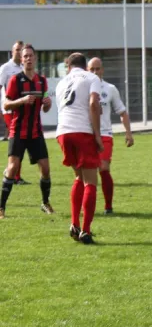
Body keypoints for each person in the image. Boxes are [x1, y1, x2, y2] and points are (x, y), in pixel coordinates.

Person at [0, 44, 54, 219]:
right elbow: (6, 105)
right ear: (21, 60)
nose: (29, 59)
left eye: (31, 56)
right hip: (18, 131)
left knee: (45, 169)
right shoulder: (16, 80)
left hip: (36, 132)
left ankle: (45, 203)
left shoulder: (42, 81)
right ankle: (1, 207)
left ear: (35, 58)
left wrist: (48, 104)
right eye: (25, 56)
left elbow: (45, 109)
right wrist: (22, 100)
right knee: (13, 167)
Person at [56, 53, 103, 244]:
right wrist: (98, 135)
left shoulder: (61, 83)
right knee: (91, 182)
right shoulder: (92, 78)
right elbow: (93, 103)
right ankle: (86, 230)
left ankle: (74, 224)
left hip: (63, 133)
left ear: (69, 67)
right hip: (82, 131)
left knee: (78, 177)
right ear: (85, 67)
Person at [87, 57, 134, 215]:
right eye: (92, 69)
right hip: (86, 134)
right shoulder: (82, 88)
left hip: (105, 134)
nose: (95, 72)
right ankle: (87, 207)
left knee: (104, 168)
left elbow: (122, 112)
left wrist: (128, 133)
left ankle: (108, 206)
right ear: (87, 70)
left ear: (103, 70)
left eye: (97, 68)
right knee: (85, 173)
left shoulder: (110, 88)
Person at [0, 40, 29, 184]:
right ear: (12, 51)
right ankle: (14, 176)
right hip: (9, 109)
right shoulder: (6, 68)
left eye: (21, 50)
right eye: (17, 49)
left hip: (22, 108)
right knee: (17, 140)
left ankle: (13, 173)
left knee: (20, 140)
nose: (19, 52)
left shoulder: (24, 68)